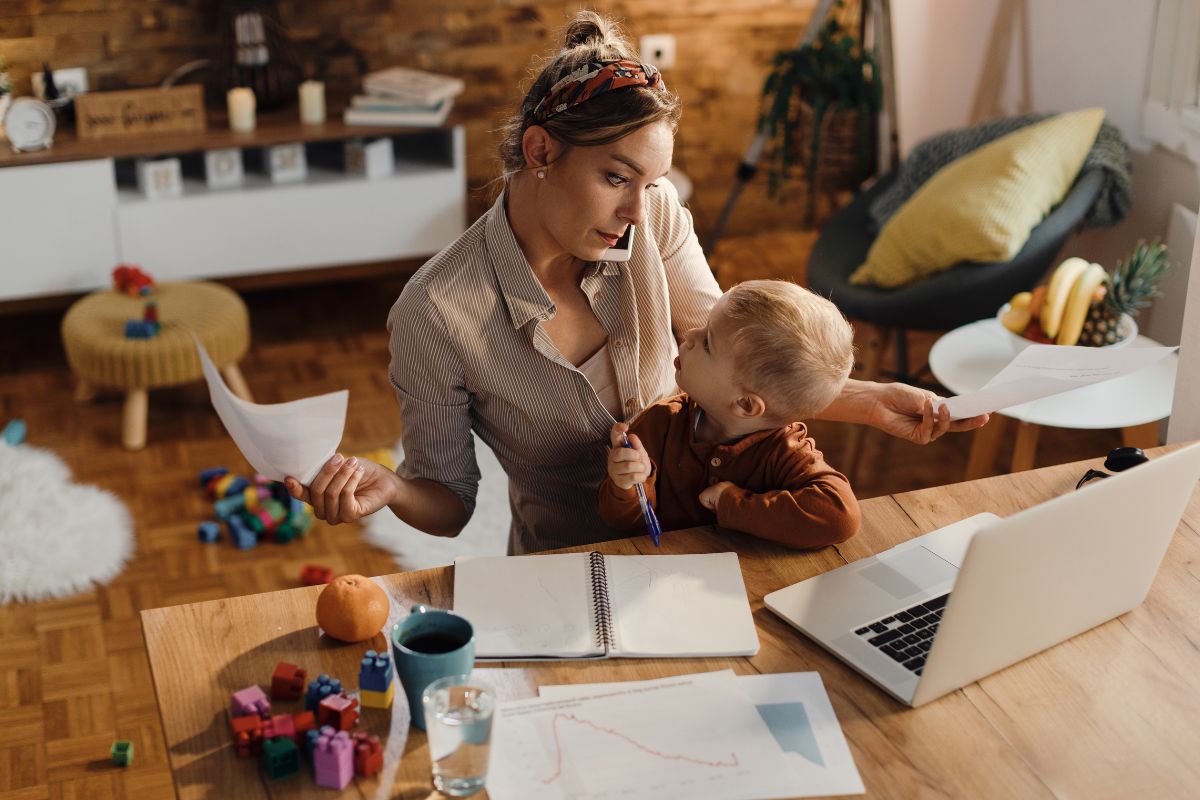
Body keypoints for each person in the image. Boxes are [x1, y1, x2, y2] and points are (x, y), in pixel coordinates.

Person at [285, 11, 988, 555]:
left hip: (704, 547)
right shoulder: (436, 312)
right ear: (540, 152)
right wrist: (394, 490)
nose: (636, 211)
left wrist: (865, 403)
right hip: (568, 568)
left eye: (649, 183)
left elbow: (737, 353)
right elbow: (451, 503)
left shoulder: (653, 215)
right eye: (617, 177)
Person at [599, 280, 860, 548]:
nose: (689, 336)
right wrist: (626, 485)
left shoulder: (787, 451)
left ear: (746, 405)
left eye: (708, 343)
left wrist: (732, 503)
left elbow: (841, 517)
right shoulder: (659, 424)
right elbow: (620, 521)